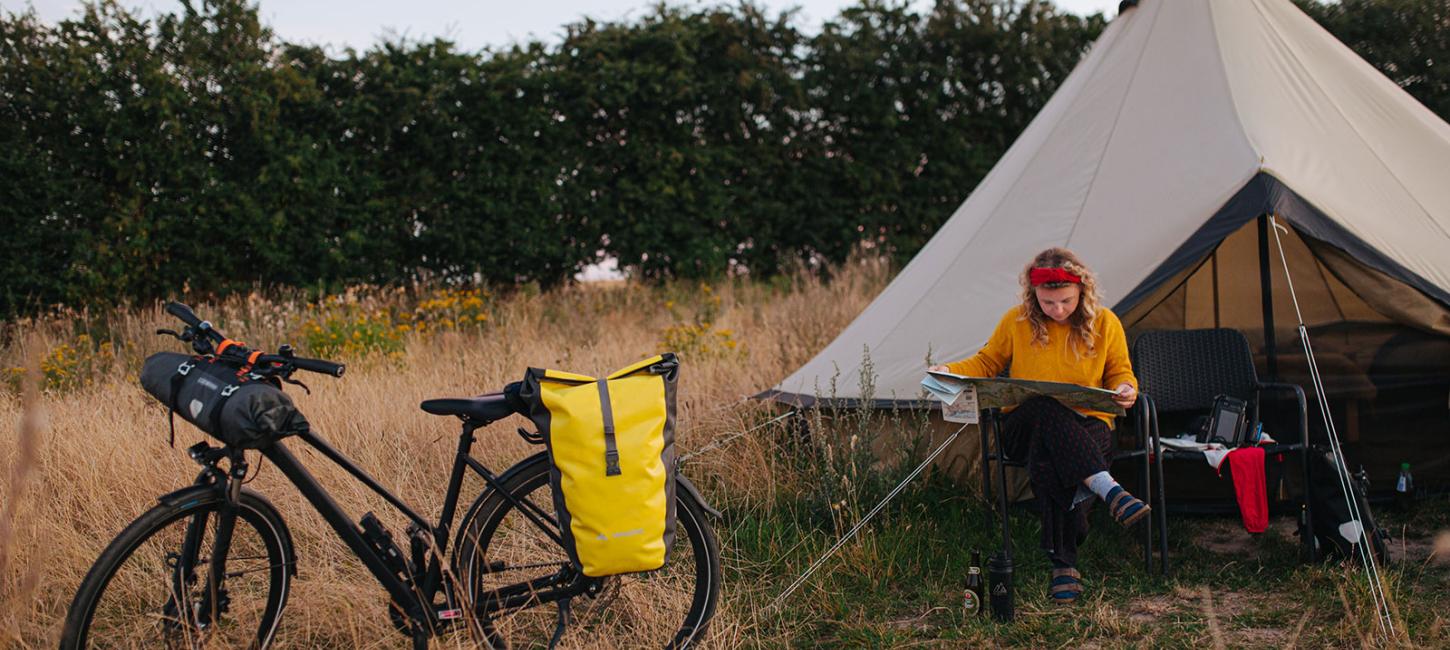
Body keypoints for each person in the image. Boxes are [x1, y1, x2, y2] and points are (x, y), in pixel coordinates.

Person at [927, 247, 1145, 606]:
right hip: (1022, 427)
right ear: (1033, 296)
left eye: (1066, 301)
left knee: (1051, 458)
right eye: (1048, 302)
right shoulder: (1016, 321)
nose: (1057, 310)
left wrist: (1126, 389)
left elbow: (1120, 371)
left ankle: (1064, 567)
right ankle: (1109, 490)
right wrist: (950, 372)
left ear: (1083, 293)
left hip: (1087, 425)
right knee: (1043, 406)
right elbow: (986, 361)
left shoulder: (1105, 322)